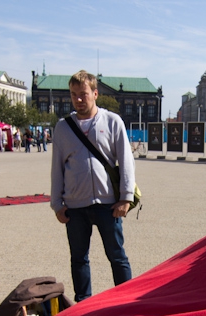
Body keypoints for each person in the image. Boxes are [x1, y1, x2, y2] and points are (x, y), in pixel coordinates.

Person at [51, 70, 135, 302]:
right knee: (79, 258)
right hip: (75, 206)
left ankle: (126, 302)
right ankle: (83, 303)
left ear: (95, 94)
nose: (78, 99)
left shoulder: (112, 121)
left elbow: (126, 160)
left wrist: (126, 197)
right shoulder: (63, 127)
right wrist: (57, 203)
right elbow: (57, 167)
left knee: (117, 256)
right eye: (73, 94)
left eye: (83, 94)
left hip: (108, 204)